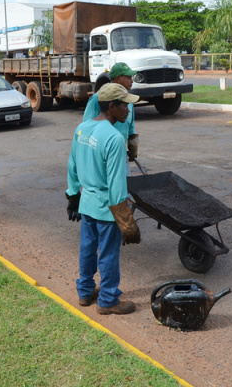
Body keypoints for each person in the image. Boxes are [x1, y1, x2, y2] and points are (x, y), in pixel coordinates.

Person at [66, 82, 141, 316]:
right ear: (111, 107)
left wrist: (72, 196)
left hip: (87, 203)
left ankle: (85, 291)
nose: (128, 111)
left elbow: (73, 166)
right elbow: (117, 184)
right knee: (108, 254)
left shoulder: (82, 129)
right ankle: (108, 300)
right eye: (125, 105)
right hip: (108, 208)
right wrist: (125, 218)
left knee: (87, 249)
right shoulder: (114, 138)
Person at [83, 62, 139, 175]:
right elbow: (87, 128)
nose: (132, 80)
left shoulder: (129, 100)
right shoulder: (97, 99)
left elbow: (130, 126)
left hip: (120, 155)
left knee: (124, 189)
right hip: (100, 156)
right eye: (128, 77)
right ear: (118, 78)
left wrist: (133, 148)